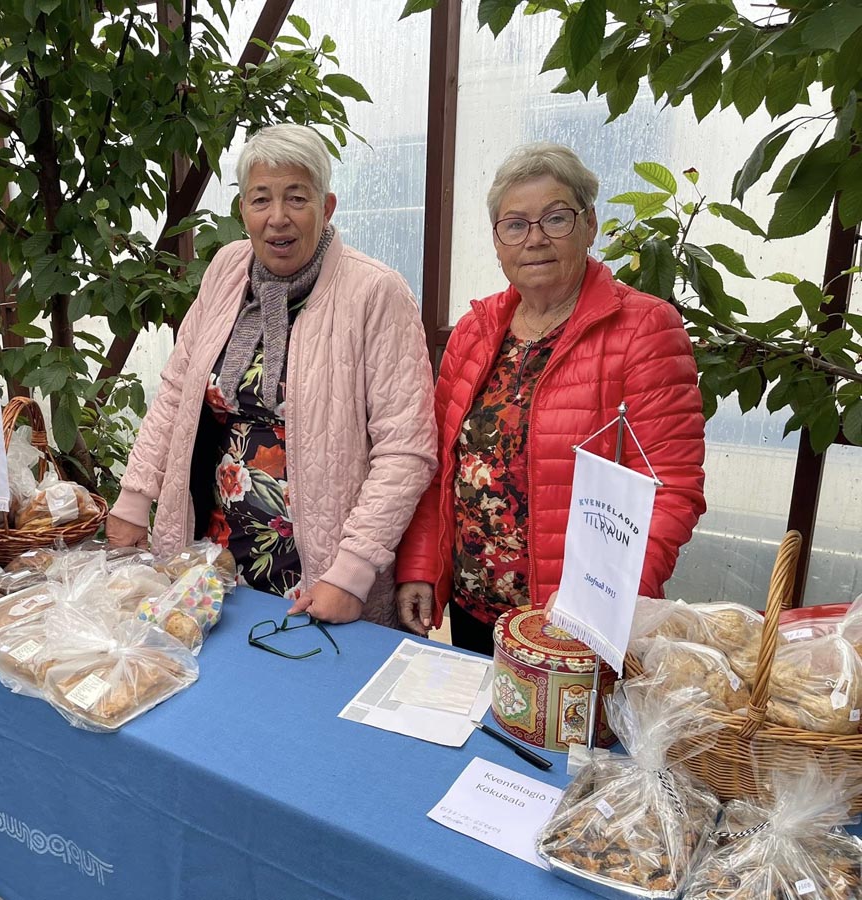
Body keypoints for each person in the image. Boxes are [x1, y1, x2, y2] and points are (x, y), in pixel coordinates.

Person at [106, 123, 436, 627]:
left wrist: (353, 571)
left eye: (296, 198)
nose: (277, 217)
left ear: (327, 207)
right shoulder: (227, 269)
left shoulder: (375, 292)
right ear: (243, 210)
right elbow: (177, 390)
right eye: (261, 199)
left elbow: (405, 449)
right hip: (211, 556)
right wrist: (134, 497)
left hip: (320, 572)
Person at [396, 142, 705, 654]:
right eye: (515, 225)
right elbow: (438, 470)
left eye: (556, 218)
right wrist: (421, 567)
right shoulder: (475, 330)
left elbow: (671, 488)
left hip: (571, 624)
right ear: (498, 242)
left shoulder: (644, 328)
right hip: (474, 610)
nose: (535, 238)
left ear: (590, 224)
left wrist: (603, 606)